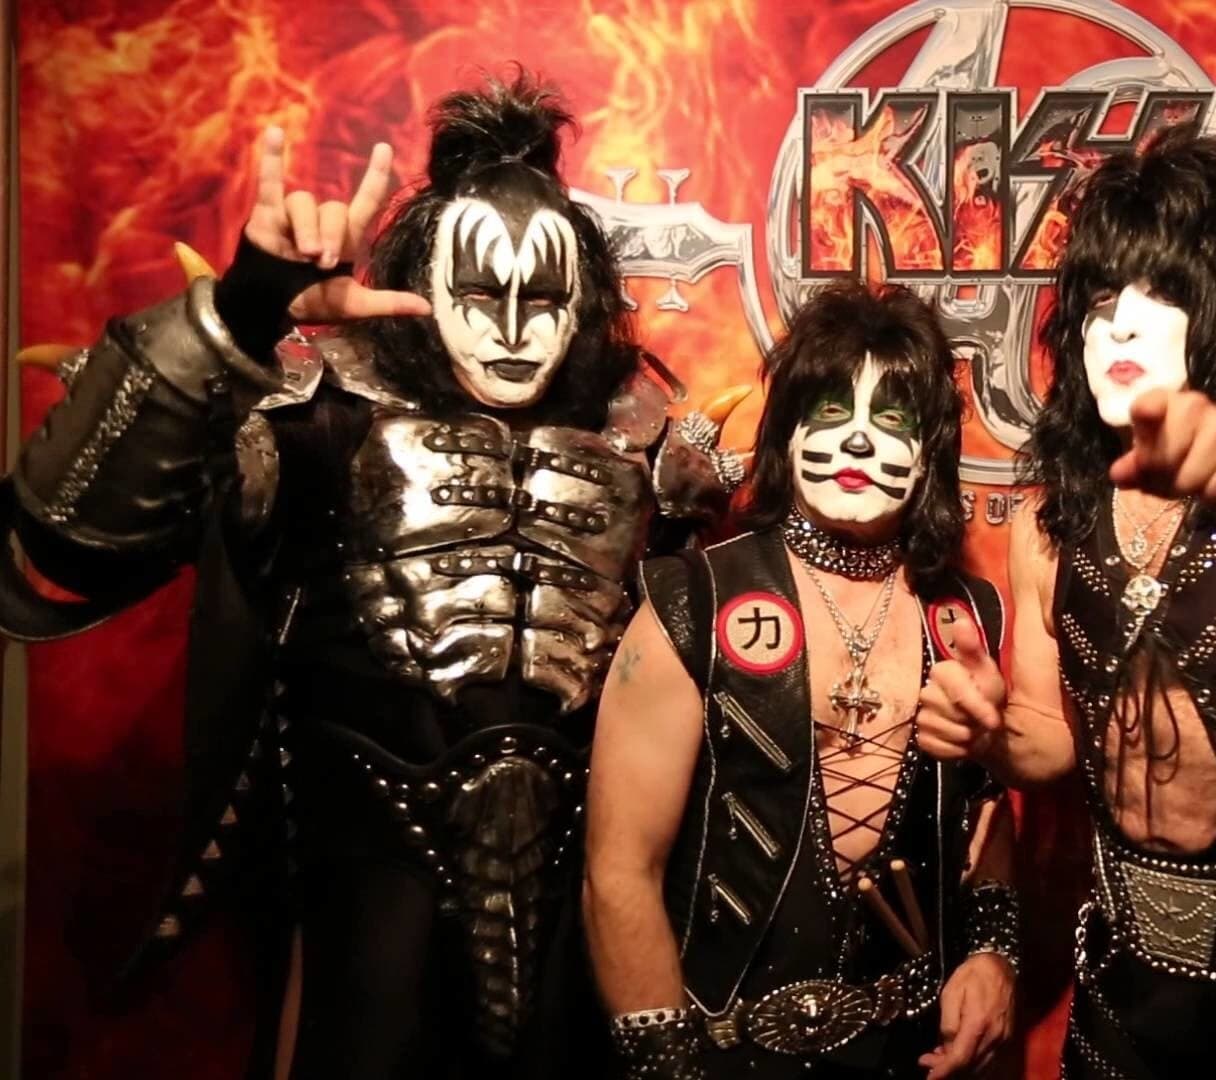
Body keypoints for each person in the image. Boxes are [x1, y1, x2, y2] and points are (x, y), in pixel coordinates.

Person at [0, 72, 741, 1077]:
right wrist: (244, 309)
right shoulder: (318, 418)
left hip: (589, 899)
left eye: (542, 297)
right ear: (422, 284)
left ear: (585, 301)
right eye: (478, 292)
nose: (512, 327)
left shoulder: (652, 448)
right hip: (363, 885)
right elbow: (67, 538)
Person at [915, 126, 1216, 1077]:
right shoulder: (1054, 515)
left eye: (1163, 293)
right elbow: (1052, 736)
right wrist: (989, 733)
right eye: (1102, 300)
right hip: (1127, 990)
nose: (1120, 326)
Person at [585, 283, 1020, 1079]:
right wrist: (669, 1066)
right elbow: (619, 872)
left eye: (892, 420)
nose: (857, 440)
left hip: (909, 1052)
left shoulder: (966, 617)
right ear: (787, 432)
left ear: (930, 451)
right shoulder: (693, 602)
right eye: (831, 411)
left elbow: (985, 819)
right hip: (723, 1051)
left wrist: (995, 953)